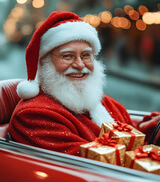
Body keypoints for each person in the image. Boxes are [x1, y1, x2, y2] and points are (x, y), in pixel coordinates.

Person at [8, 11, 160, 156]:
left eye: (86, 55)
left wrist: (154, 126)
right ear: (45, 63)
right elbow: (100, 163)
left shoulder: (103, 102)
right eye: (67, 56)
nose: (80, 65)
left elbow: (132, 133)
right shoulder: (34, 115)